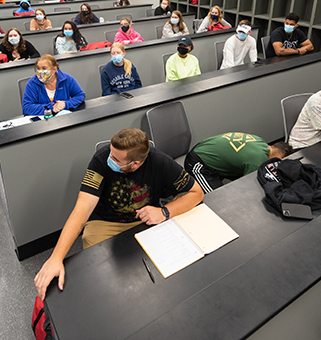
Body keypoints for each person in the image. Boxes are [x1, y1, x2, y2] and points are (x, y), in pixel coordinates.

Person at [34, 128, 204, 299]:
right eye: (110, 152)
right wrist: (56, 257)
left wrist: (164, 212)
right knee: (102, 278)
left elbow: (197, 192)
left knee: (156, 273)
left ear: (135, 163)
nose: (110, 158)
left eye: (115, 158)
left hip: (143, 219)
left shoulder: (160, 161)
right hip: (104, 221)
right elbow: (82, 209)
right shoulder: (100, 160)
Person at [185, 134, 293, 193]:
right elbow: (249, 186)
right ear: (280, 157)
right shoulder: (256, 162)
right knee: (217, 198)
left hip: (207, 148)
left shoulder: (260, 140)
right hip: (199, 162)